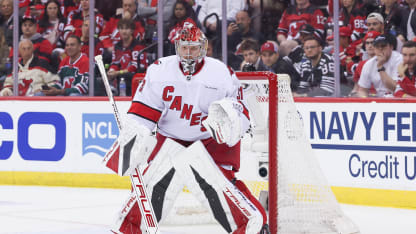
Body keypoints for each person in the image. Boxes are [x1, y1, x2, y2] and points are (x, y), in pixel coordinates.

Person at [109, 21, 269, 234]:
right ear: (177, 47)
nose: (188, 53)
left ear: (203, 48)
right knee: (149, 185)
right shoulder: (160, 70)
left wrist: (230, 125)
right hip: (170, 138)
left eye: (193, 48)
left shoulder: (220, 73)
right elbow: (142, 113)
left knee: (223, 189)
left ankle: (256, 227)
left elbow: (241, 112)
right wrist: (134, 140)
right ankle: (130, 228)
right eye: (184, 47)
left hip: (210, 140)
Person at [107, 18, 149, 96]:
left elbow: (135, 67)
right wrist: (111, 71)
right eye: (121, 28)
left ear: (132, 31)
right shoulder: (117, 46)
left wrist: (118, 72)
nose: (124, 31)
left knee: (123, 76)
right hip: (121, 77)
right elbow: (115, 63)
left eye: (126, 28)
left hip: (137, 77)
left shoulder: (137, 46)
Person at [350, 30, 381, 96]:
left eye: (372, 42)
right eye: (367, 43)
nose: (370, 45)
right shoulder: (361, 64)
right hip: (365, 98)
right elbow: (356, 88)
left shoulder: (386, 62)